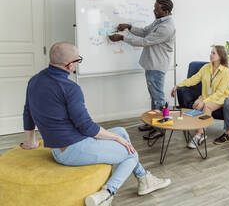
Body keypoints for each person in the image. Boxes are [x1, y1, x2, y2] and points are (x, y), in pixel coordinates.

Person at [21, 42, 171, 206]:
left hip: (58, 148)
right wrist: (116, 139)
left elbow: (28, 112)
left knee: (121, 131)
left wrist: (31, 141)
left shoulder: (35, 80)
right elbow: (87, 127)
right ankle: (107, 193)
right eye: (78, 60)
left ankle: (144, 178)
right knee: (131, 154)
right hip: (72, 150)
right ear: (70, 65)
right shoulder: (70, 88)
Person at [109, 0, 175, 140]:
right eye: (154, 7)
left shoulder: (166, 27)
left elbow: (145, 41)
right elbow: (145, 31)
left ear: (165, 11)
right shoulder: (160, 21)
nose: (154, 11)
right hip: (151, 64)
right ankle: (153, 123)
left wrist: (122, 38)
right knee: (154, 96)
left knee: (158, 98)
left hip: (157, 66)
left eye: (157, 9)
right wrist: (129, 27)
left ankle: (160, 128)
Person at [170, 46, 229, 148]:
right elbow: (193, 79)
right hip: (206, 95)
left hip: (220, 97)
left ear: (220, 56)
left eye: (213, 53)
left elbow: (220, 92)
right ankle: (200, 131)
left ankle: (199, 134)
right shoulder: (206, 67)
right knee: (196, 105)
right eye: (211, 52)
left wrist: (205, 101)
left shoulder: (226, 72)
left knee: (206, 106)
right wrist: (178, 85)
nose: (210, 55)